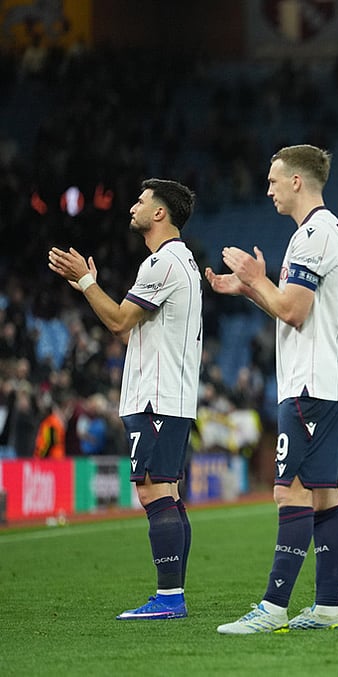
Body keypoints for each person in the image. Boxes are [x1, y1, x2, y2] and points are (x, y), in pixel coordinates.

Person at [212, 145, 338, 634]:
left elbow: (293, 313)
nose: (268, 188)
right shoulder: (327, 232)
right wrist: (252, 288)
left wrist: (257, 278)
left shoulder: (313, 235)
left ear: (298, 181)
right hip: (331, 381)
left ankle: (273, 608)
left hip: (310, 383)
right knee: (323, 497)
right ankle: (327, 607)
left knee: (288, 491)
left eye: (274, 179)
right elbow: (293, 308)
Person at [48, 178, 201, 620]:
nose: (132, 205)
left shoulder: (162, 263)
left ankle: (169, 598)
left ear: (159, 213)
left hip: (155, 397)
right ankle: (173, 595)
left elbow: (118, 321)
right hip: (172, 395)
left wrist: (84, 282)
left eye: (140, 200)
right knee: (167, 492)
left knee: (154, 492)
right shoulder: (182, 261)